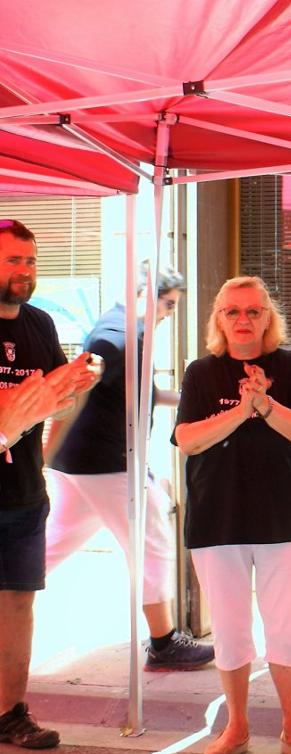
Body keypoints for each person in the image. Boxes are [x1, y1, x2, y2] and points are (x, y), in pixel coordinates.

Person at [174, 277, 291, 754]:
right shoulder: (201, 372)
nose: (243, 320)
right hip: (216, 521)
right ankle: (236, 726)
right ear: (218, 319)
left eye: (253, 312)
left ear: (268, 317)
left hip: (283, 520)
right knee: (231, 629)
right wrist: (243, 410)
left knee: (286, 629)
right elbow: (186, 439)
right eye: (232, 312)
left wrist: (264, 403)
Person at [43, 267, 215, 671]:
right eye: (169, 304)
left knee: (54, 545)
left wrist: (195, 397)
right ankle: (163, 642)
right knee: (152, 540)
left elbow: (143, 393)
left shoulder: (120, 328)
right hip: (104, 463)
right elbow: (74, 390)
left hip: (84, 463)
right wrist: (44, 454)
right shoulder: (117, 338)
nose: (170, 313)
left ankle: (6, 588)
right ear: (144, 294)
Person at [0, 219, 98, 749]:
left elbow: (59, 396)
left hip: (22, 496)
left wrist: (78, 384)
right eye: (13, 260)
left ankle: (11, 713)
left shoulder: (38, 324)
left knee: (18, 602)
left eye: (31, 260)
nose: (24, 270)